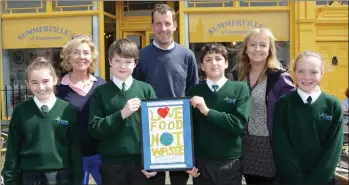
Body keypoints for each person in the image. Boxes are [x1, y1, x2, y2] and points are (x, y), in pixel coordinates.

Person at [132, 4, 199, 185]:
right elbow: (135, 91)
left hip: (179, 131)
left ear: (175, 25)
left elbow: (193, 91)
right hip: (151, 133)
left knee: (179, 181)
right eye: (159, 24)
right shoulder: (142, 56)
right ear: (152, 27)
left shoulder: (187, 55)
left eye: (167, 23)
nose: (163, 29)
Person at [1, 57, 82, 185]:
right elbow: (12, 150)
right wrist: (10, 178)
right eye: (34, 82)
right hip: (29, 174)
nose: (41, 87)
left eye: (45, 81)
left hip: (61, 174)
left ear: (55, 80)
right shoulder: (21, 112)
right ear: (27, 84)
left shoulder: (67, 110)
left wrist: (77, 178)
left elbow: (75, 148)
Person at [88, 38, 157, 185]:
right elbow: (94, 129)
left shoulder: (146, 90)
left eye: (128, 61)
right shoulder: (100, 92)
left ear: (135, 63)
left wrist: (154, 162)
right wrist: (121, 114)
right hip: (111, 165)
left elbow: (156, 129)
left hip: (142, 165)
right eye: (118, 60)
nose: (122, 66)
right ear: (109, 61)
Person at [231, 27, 295, 184]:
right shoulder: (237, 75)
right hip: (245, 147)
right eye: (252, 44)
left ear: (270, 49)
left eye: (263, 45)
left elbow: (293, 111)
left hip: (270, 148)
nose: (257, 49)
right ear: (246, 49)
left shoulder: (279, 77)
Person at [273, 51, 344, 184]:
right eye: (301, 71)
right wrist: (298, 179)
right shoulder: (284, 104)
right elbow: (281, 145)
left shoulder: (333, 105)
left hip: (323, 180)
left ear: (321, 73)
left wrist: (316, 180)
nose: (306, 77)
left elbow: (334, 150)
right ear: (294, 73)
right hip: (290, 180)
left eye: (313, 72)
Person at [186, 43, 250, 185]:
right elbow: (188, 130)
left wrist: (207, 111)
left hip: (230, 161)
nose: (213, 63)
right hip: (202, 163)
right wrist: (188, 161)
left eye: (218, 58)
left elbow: (238, 124)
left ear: (226, 63)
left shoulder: (240, 89)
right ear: (202, 66)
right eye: (208, 59)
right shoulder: (193, 92)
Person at [56, 36, 106, 185]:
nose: (81, 57)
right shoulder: (58, 88)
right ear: (68, 57)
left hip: (101, 154)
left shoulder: (101, 84)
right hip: (74, 157)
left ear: (92, 57)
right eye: (76, 52)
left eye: (86, 53)